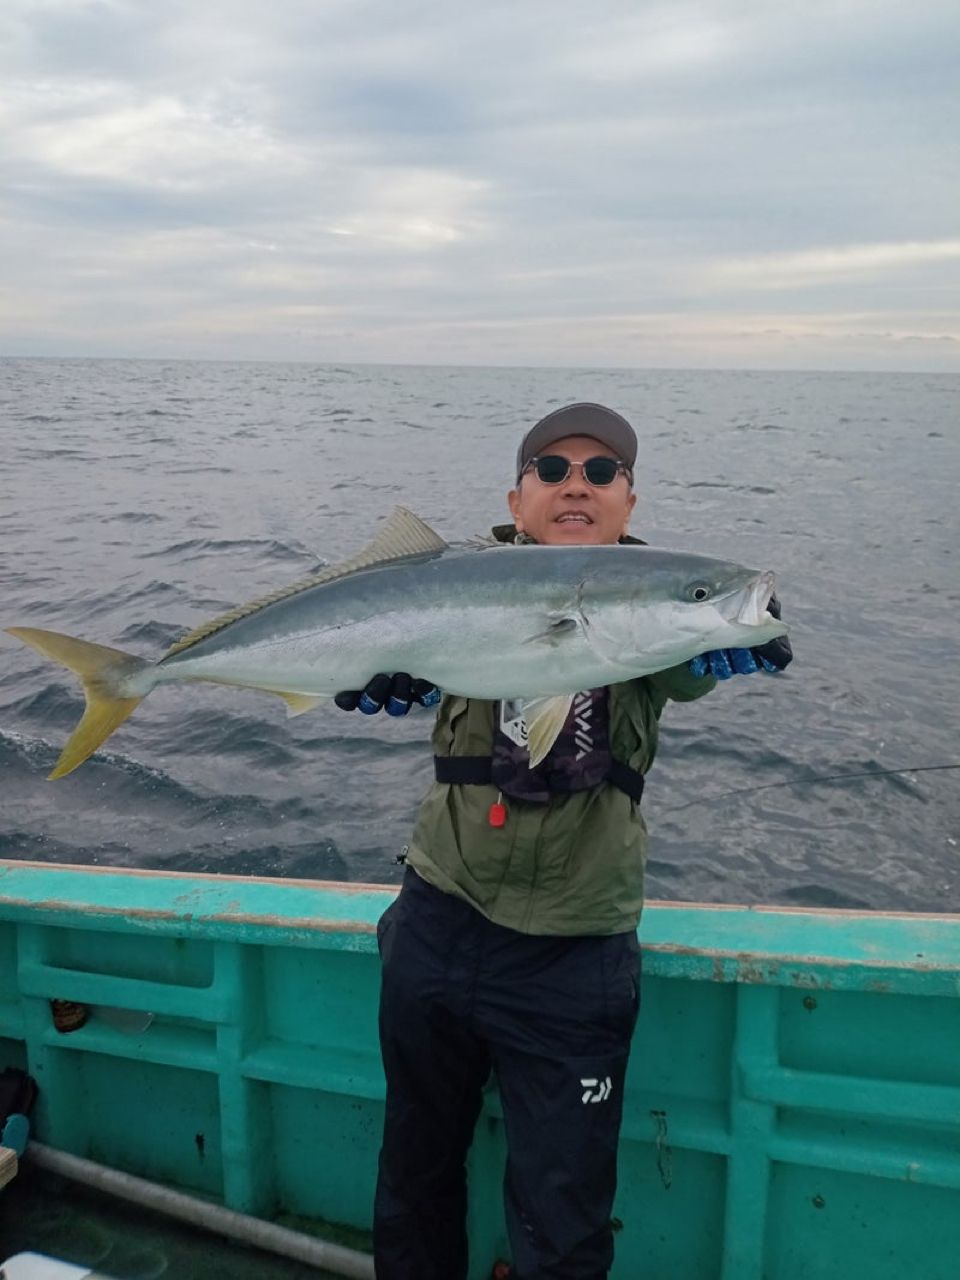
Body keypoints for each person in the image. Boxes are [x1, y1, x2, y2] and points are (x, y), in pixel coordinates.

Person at [335, 403, 792, 1280]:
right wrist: (374, 660)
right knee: (412, 1179)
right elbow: (378, 636)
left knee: (564, 1219)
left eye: (600, 472)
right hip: (437, 918)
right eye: (551, 470)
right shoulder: (453, 581)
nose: (575, 485)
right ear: (517, 499)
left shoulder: (649, 609)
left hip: (576, 952)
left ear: (628, 503)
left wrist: (737, 623)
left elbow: (687, 659)